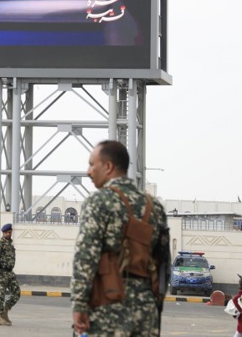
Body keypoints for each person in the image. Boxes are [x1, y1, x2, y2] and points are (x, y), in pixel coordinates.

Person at [71, 140, 169, 337]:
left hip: (107, 306)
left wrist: (79, 303)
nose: (88, 172)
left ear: (108, 167)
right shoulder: (155, 206)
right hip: (145, 309)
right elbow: (164, 264)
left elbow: (86, 258)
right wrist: (155, 303)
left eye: (92, 164)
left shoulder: (99, 201)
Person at [0, 223, 20, 326]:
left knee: (17, 293)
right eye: (7, 232)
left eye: (10, 232)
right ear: (3, 233)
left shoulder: (10, 244)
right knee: (0, 295)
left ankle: (5, 311)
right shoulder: (0, 243)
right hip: (1, 272)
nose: (9, 234)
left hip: (10, 273)